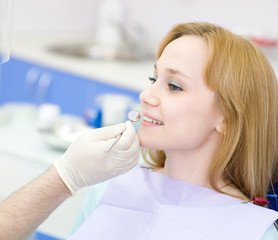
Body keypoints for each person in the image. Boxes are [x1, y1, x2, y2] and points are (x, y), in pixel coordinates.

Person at [69, 22, 278, 240]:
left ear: (228, 117)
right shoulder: (108, 188)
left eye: (174, 86)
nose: (146, 95)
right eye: (153, 78)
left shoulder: (254, 233)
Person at [0, 121, 140, 240]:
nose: (144, 96)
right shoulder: (106, 186)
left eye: (163, 88)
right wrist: (64, 176)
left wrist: (65, 176)